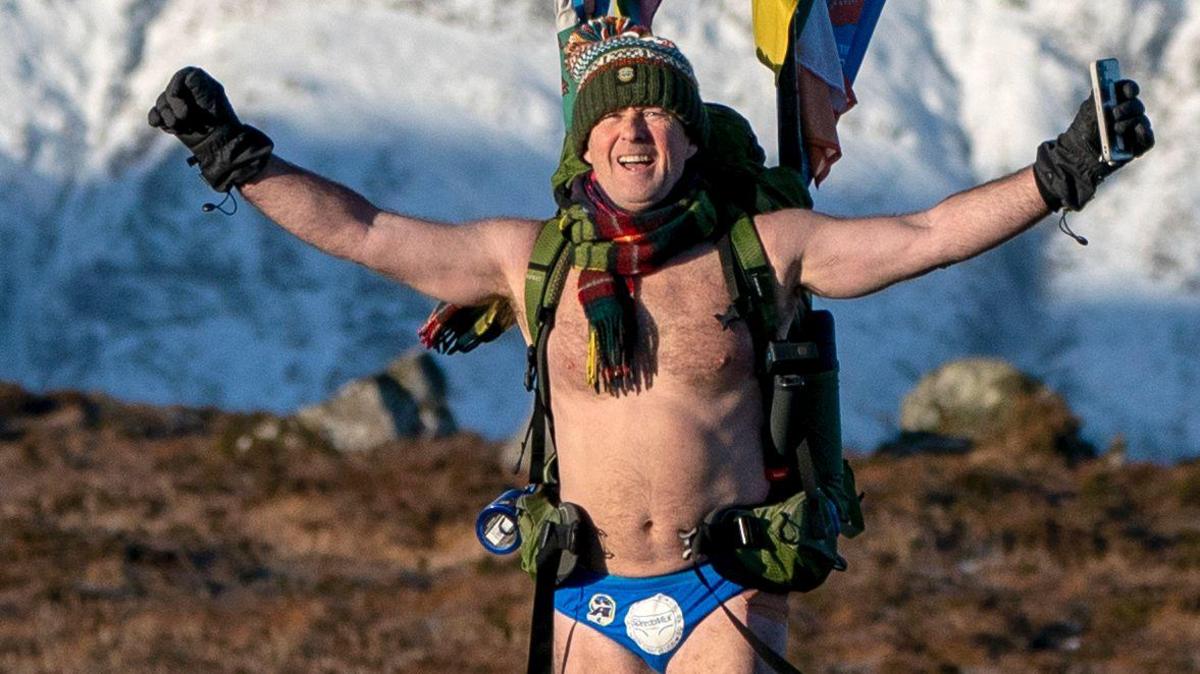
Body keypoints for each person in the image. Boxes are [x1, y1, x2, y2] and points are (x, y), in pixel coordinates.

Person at [148, 18, 1152, 674]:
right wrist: (238, 159)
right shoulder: (526, 259)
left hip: (723, 590)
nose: (635, 130)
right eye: (613, 114)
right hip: (588, 596)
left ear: (685, 138)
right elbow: (363, 229)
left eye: (657, 114)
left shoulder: (761, 249)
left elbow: (926, 235)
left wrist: (1062, 170)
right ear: (582, 143)